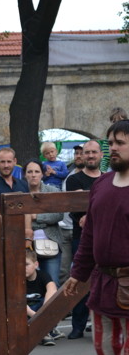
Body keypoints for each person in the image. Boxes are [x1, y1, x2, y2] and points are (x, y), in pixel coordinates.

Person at [62, 120, 129, 355]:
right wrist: (77, 273)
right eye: (111, 142)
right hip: (103, 281)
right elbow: (88, 236)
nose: (113, 148)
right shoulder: (100, 185)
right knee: (105, 349)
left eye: (120, 143)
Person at [65, 139, 104, 339]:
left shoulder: (107, 179)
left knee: (105, 281)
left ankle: (100, 324)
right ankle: (78, 326)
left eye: (93, 152)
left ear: (101, 155)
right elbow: (78, 210)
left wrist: (90, 215)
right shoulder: (74, 180)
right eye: (87, 152)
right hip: (82, 239)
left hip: (105, 239)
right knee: (80, 279)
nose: (90, 156)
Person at [24, 159, 64, 286]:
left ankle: (53, 307)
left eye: (37, 171)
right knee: (29, 284)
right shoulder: (19, 193)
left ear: (42, 174)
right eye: (30, 172)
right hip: (25, 245)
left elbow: (58, 215)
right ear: (25, 174)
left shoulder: (53, 191)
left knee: (53, 282)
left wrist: (35, 217)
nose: (33, 174)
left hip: (50, 244)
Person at [24, 250, 63, 347]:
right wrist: (37, 316)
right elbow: (17, 302)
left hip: (40, 308)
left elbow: (52, 288)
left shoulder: (42, 275)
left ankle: (47, 330)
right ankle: (44, 333)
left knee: (53, 299)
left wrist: (44, 311)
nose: (22, 268)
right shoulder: (17, 279)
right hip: (26, 310)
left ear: (36, 264)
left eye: (26, 264)